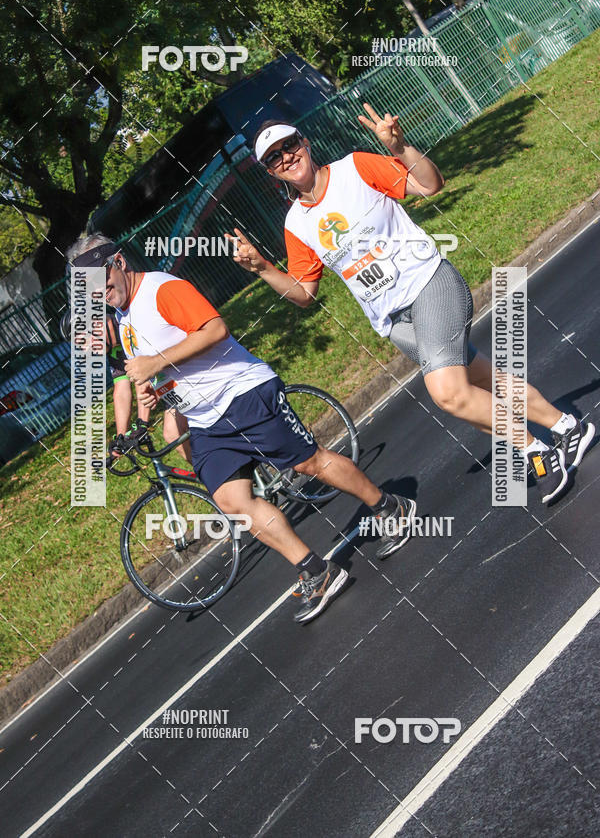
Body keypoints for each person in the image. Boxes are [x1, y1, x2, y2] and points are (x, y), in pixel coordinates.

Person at [226, 105, 595, 504]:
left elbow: (430, 184)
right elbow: (303, 293)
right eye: (274, 157)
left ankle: (536, 451)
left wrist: (400, 148)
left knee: (448, 393)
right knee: (479, 383)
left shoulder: (355, 169)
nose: (287, 157)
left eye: (290, 145)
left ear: (305, 143)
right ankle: (567, 427)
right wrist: (263, 268)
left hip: (428, 284)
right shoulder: (296, 224)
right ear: (271, 172)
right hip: (394, 322)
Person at [66, 233, 418, 624]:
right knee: (235, 503)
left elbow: (215, 329)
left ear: (118, 262)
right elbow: (158, 371)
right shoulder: (123, 319)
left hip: (244, 394)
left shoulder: (161, 290)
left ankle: (390, 506)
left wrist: (156, 361)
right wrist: (151, 395)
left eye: (101, 279)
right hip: (206, 423)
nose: (99, 292)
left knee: (309, 464)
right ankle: (318, 571)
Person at [59, 308, 191, 462]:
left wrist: (142, 422)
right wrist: (121, 437)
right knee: (172, 433)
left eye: (83, 341)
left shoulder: (128, 329)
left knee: (175, 432)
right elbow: (121, 390)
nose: (84, 349)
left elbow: (142, 377)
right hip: (171, 384)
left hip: (189, 371)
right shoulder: (113, 348)